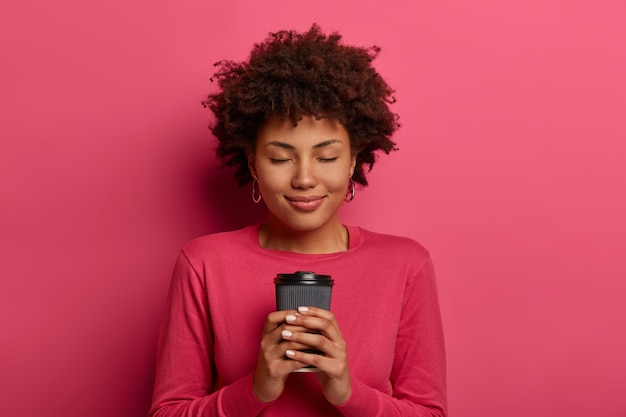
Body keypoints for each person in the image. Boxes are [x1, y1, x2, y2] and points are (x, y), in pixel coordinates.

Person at [149, 24, 447, 417]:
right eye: (280, 157)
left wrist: (346, 391)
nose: (304, 178)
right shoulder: (203, 263)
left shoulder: (405, 264)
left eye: (326, 157)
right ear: (253, 162)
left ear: (354, 159)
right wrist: (257, 388)